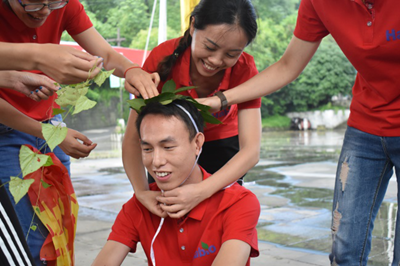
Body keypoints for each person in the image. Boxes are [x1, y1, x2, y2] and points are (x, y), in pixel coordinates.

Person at [168, 0, 399, 265]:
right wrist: (221, 99)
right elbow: (289, 65)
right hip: (366, 125)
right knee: (344, 250)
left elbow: (250, 151)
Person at [0, 1, 160, 265]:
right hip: (11, 132)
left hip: (50, 124)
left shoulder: (65, 7)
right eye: (33, 4)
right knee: (26, 241)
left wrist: (131, 69)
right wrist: (40, 56)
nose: (44, 12)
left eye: (54, 3)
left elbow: (106, 55)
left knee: (59, 229)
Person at [122, 0, 261, 219]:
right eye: (210, 47)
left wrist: (202, 191)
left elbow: (251, 150)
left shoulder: (244, 68)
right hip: (170, 148)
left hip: (222, 148)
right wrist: (141, 192)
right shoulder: (163, 58)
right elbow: (133, 138)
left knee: (218, 218)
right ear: (193, 25)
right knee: (169, 217)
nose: (215, 60)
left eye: (231, 54)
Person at [92, 99, 260, 266]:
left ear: (197, 143)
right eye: (147, 149)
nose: (156, 161)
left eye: (168, 147)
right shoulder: (141, 205)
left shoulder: (238, 202)